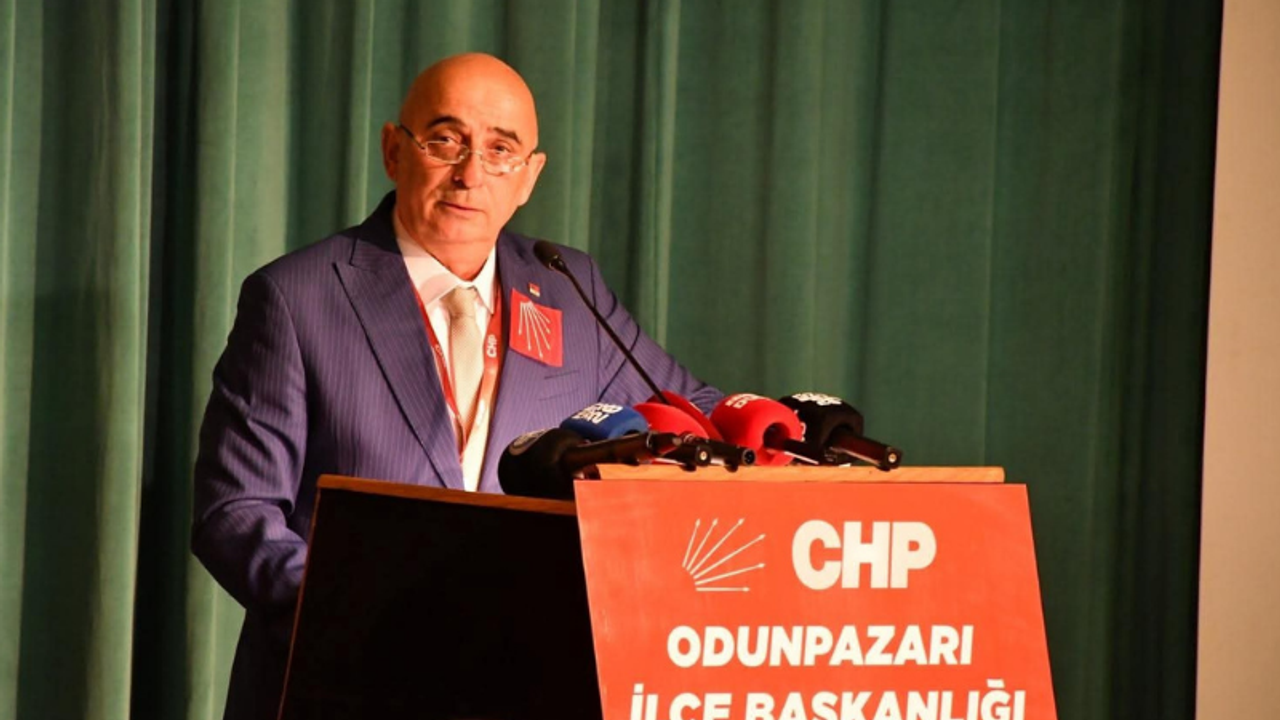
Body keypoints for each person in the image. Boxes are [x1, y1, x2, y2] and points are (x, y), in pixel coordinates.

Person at [191, 53, 721, 719]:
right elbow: (235, 512)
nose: (470, 174)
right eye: (445, 141)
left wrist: (780, 425)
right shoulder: (297, 298)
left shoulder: (567, 287)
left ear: (529, 177)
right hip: (345, 684)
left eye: (500, 150)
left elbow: (692, 414)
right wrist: (359, 619)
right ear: (393, 150)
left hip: (525, 681)